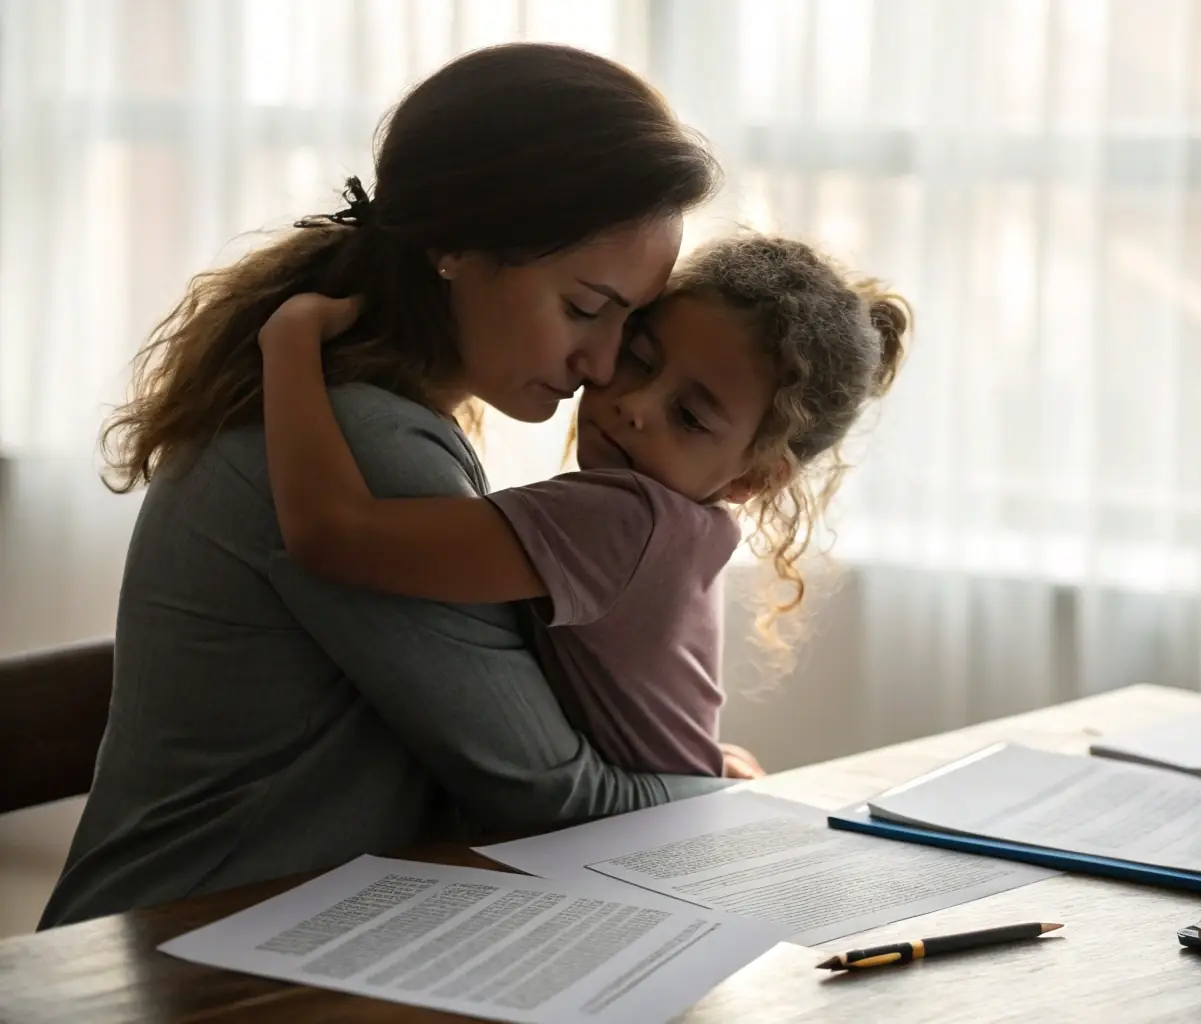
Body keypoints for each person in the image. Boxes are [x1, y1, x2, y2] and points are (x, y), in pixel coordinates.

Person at [41, 42, 736, 929]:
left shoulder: (349, 404)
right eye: (583, 308)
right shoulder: (367, 448)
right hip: (185, 957)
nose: (600, 364)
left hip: (260, 933)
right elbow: (546, 798)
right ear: (454, 244)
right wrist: (722, 795)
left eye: (629, 322)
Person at [256, 234, 910, 778]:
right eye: (639, 360)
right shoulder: (684, 522)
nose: (634, 406)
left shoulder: (625, 519)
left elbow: (332, 535)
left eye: (687, 415)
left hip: (641, 849)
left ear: (754, 479)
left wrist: (289, 341)